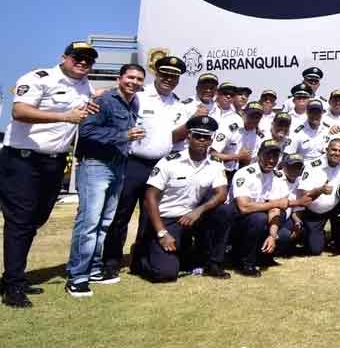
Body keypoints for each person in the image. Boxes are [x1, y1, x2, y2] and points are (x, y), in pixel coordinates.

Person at [1, 41, 100, 307]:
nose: (83, 63)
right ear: (64, 57)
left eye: (88, 60)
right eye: (78, 57)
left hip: (54, 163)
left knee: (38, 218)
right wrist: (65, 117)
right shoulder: (38, 78)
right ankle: (13, 286)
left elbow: (98, 94)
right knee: (20, 221)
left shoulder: (85, 85)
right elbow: (19, 111)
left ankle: (14, 275)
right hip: (22, 160)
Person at [104, 56, 187, 279]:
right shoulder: (138, 97)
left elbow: (176, 138)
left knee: (150, 216)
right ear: (156, 74)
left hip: (160, 166)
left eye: (174, 76)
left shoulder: (179, 105)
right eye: (165, 74)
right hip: (134, 163)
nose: (169, 79)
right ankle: (111, 260)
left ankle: (140, 259)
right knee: (121, 213)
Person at [66, 64, 146, 296]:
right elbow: (87, 131)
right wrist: (124, 135)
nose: (134, 82)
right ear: (119, 78)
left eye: (139, 79)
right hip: (96, 165)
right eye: (130, 77)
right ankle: (77, 276)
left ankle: (93, 268)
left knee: (104, 222)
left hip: (118, 165)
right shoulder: (104, 100)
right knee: (89, 222)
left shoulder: (134, 102)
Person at [138, 115, 233, 282]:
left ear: (211, 140)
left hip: (192, 218)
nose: (201, 141)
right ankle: (142, 255)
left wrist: (199, 210)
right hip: (166, 220)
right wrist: (161, 233)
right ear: (189, 136)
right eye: (197, 136)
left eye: (206, 137)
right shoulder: (169, 162)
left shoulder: (215, 165)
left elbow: (221, 194)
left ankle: (213, 263)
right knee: (166, 274)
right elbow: (149, 198)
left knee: (224, 210)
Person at [229, 140, 296, 276]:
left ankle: (262, 257)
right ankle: (245, 263)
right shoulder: (245, 173)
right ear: (259, 154)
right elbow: (244, 207)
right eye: (267, 155)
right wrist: (275, 203)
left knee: (281, 234)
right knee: (259, 218)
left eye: (275, 157)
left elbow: (275, 209)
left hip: (257, 222)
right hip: (235, 223)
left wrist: (272, 236)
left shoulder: (277, 178)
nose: (271, 160)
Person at [296, 139, 340, 257]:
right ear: (327, 150)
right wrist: (319, 190)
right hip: (314, 212)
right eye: (334, 150)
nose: (337, 153)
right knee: (315, 250)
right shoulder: (313, 165)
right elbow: (303, 195)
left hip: (335, 208)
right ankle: (315, 234)